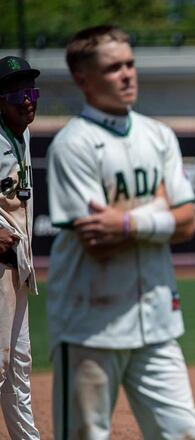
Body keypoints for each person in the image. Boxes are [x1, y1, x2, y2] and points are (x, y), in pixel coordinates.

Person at [46, 25, 195, 439]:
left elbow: (188, 222)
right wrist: (159, 207)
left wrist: (129, 221)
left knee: (185, 433)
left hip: (156, 320)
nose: (127, 74)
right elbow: (95, 240)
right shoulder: (73, 144)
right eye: (113, 67)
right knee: (85, 434)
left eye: (130, 64)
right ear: (83, 79)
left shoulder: (159, 135)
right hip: (89, 322)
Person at [0, 55, 40, 439]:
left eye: (31, 92)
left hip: (17, 266)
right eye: (16, 94)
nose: (27, 101)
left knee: (18, 366)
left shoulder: (22, 134)